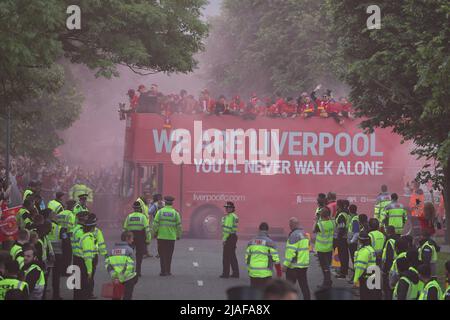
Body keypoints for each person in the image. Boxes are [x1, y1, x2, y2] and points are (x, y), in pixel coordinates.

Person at [152, 196, 182, 276]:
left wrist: (153, 233)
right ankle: (168, 271)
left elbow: (155, 224)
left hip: (161, 237)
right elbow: (179, 226)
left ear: (165, 203)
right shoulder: (176, 213)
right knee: (169, 255)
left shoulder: (160, 212)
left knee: (162, 255)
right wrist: (178, 235)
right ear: (172, 203)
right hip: (171, 237)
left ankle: (163, 271)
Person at [245, 222, 281, 288]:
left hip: (253, 272)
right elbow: (276, 259)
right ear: (267, 231)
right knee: (265, 294)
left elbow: (247, 258)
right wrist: (279, 273)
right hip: (265, 273)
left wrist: (249, 270)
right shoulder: (270, 242)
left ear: (259, 230)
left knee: (254, 293)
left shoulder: (251, 242)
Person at [105, 231, 138, 300]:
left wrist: (115, 277)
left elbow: (108, 265)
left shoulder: (112, 250)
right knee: (127, 296)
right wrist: (121, 278)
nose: (133, 240)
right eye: (132, 238)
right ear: (127, 238)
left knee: (116, 296)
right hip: (127, 278)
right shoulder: (129, 250)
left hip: (116, 278)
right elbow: (130, 267)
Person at [283, 217, 310, 300]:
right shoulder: (305, 234)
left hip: (293, 266)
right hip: (303, 265)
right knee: (304, 286)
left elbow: (290, 252)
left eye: (290, 225)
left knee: (289, 287)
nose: (289, 227)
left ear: (293, 225)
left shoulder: (294, 235)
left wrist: (285, 265)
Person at [123, 201, 151, 277]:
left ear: (133, 208)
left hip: (130, 237)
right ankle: (138, 272)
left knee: (129, 255)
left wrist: (125, 239)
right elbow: (147, 230)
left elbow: (125, 229)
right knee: (139, 255)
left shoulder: (129, 216)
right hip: (140, 237)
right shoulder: (143, 217)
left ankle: (129, 271)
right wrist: (148, 239)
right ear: (139, 209)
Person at [47, 211, 69, 300]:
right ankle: (56, 295)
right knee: (56, 276)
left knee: (45, 275)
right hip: (58, 255)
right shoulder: (60, 229)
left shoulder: (45, 226)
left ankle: (42, 294)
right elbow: (66, 241)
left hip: (48, 254)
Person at [75, 213, 97, 300]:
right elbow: (88, 257)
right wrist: (89, 271)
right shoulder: (88, 239)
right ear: (92, 228)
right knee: (84, 284)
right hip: (83, 263)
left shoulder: (82, 235)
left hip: (78, 259)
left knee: (79, 284)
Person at [353, 231, 380, 300]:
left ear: (360, 241)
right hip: (374, 276)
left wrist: (355, 280)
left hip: (366, 278)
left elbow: (360, 267)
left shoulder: (364, 251)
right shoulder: (371, 249)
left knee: (365, 296)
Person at [314, 207, 335, 289]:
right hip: (329, 248)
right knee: (327, 266)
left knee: (324, 267)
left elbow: (313, 229)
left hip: (321, 249)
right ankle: (327, 281)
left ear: (321, 215)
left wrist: (316, 220)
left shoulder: (319, 224)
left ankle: (327, 282)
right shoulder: (332, 223)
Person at [220, 201, 239, 279]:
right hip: (233, 237)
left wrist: (224, 239)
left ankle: (225, 274)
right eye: (226, 207)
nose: (227, 209)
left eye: (228, 207)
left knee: (226, 257)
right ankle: (235, 273)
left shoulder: (230, 217)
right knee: (232, 256)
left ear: (232, 208)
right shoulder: (233, 216)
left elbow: (227, 229)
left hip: (229, 237)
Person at [381, 225, 400, 299]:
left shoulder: (389, 241)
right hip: (397, 266)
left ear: (388, 231)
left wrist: (386, 269)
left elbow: (388, 257)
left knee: (388, 288)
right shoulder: (398, 238)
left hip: (389, 268)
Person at [90, 222, 108, 298]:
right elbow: (101, 244)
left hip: (79, 256)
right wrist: (104, 254)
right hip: (93, 256)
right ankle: (89, 293)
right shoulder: (97, 231)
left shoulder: (78, 229)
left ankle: (80, 293)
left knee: (82, 275)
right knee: (91, 275)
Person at [334, 200, 349, 279]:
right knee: (344, 255)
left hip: (342, 238)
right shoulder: (346, 213)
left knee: (343, 256)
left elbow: (342, 227)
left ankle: (343, 272)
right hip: (345, 237)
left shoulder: (341, 215)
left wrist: (338, 238)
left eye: (337, 205)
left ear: (339, 206)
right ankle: (344, 271)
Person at [148, 193, 163, 258]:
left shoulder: (155, 205)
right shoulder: (164, 204)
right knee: (163, 239)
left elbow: (149, 211)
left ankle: (159, 253)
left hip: (157, 224)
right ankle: (162, 253)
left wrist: (150, 204)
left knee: (159, 240)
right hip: (163, 223)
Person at [347, 204, 359, 270]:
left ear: (349, 211)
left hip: (353, 243)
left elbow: (356, 233)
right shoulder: (355, 218)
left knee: (354, 259)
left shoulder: (355, 219)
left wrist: (351, 241)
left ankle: (355, 273)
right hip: (354, 242)